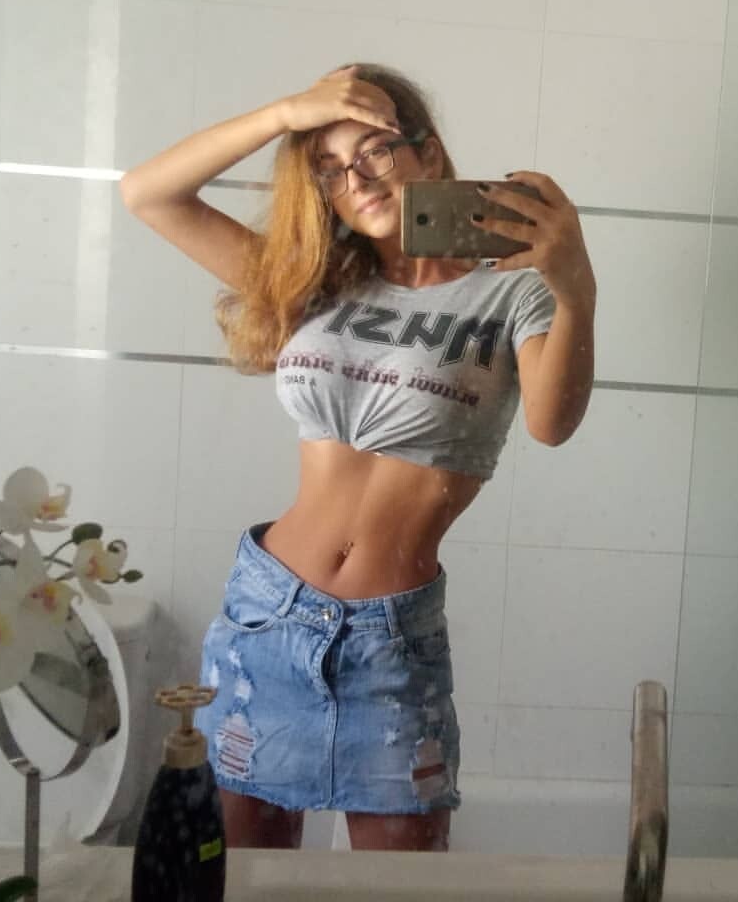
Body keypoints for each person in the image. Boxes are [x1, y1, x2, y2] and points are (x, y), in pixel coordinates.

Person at [120, 63, 597, 852]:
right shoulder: (314, 283)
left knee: (399, 886)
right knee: (243, 881)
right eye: (330, 169)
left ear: (428, 153)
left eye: (375, 150)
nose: (358, 179)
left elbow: (552, 424)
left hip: (391, 639)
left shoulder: (515, 291)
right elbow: (148, 193)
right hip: (266, 615)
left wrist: (575, 282)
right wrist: (285, 113)